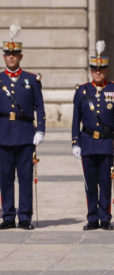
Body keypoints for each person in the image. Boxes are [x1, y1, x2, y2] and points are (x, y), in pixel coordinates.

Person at [71, 40, 114, 231]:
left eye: (101, 69)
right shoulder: (81, 91)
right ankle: (92, 218)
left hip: (105, 143)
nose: (98, 72)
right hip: (87, 142)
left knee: (105, 183)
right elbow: (75, 119)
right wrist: (75, 143)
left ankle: (105, 219)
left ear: (107, 70)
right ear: (90, 70)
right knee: (90, 184)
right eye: (94, 69)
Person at [0, 24, 45, 231]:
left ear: (20, 56)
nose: (11, 57)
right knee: (5, 178)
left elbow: (40, 107)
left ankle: (25, 216)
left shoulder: (31, 79)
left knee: (25, 178)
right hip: (3, 135)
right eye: (8, 54)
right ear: (4, 57)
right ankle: (8, 216)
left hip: (26, 134)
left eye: (14, 54)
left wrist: (40, 130)